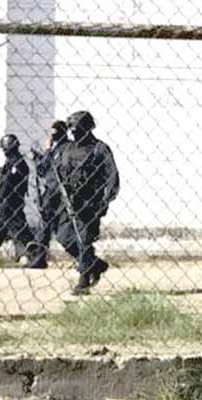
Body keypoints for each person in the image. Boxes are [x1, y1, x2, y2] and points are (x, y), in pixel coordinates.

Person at [53, 111, 119, 294]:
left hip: (90, 203)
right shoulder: (66, 148)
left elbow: (112, 177)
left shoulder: (99, 149)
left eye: (78, 130)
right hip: (69, 202)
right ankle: (95, 264)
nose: (74, 133)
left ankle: (83, 281)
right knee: (64, 238)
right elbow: (57, 171)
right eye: (72, 130)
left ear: (87, 129)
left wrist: (105, 201)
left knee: (84, 241)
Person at [0, 134, 46, 269]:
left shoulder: (17, 164)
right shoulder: (11, 164)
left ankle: (37, 255)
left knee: (20, 232)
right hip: (6, 204)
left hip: (11, 203)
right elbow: (0, 185)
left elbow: (7, 186)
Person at [29, 120, 71, 268]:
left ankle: (83, 257)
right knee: (45, 226)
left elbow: (46, 168)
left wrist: (47, 151)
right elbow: (42, 170)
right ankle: (39, 258)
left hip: (61, 193)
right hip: (51, 192)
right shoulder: (55, 150)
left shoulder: (65, 149)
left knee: (61, 227)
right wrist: (42, 155)